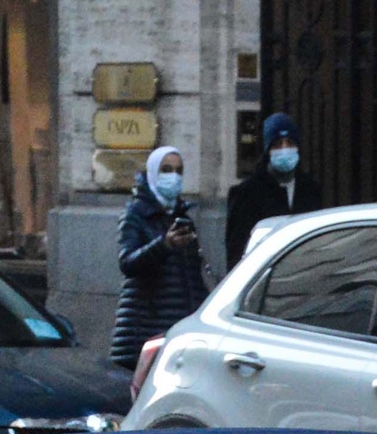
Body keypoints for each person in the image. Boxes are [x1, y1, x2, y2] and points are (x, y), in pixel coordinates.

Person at [110, 146, 209, 370]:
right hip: (144, 330)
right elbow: (127, 262)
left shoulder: (182, 218)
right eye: (166, 169)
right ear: (153, 173)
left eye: (178, 170)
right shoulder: (136, 213)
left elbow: (192, 276)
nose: (173, 176)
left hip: (177, 331)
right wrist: (164, 245)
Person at [224, 113, 324, 270]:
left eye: (290, 143)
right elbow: (236, 251)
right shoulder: (246, 194)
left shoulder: (310, 190)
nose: (285, 150)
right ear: (267, 150)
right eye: (278, 144)